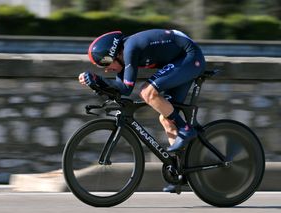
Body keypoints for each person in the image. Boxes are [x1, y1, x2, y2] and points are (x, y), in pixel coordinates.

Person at [78, 29, 205, 192]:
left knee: (147, 92)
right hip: (181, 59)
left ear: (114, 54)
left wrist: (97, 79)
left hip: (190, 57)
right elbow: (121, 90)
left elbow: (127, 87)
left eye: (104, 63)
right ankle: (182, 174)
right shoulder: (122, 57)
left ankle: (186, 130)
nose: (105, 69)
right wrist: (95, 83)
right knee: (166, 118)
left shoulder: (130, 50)